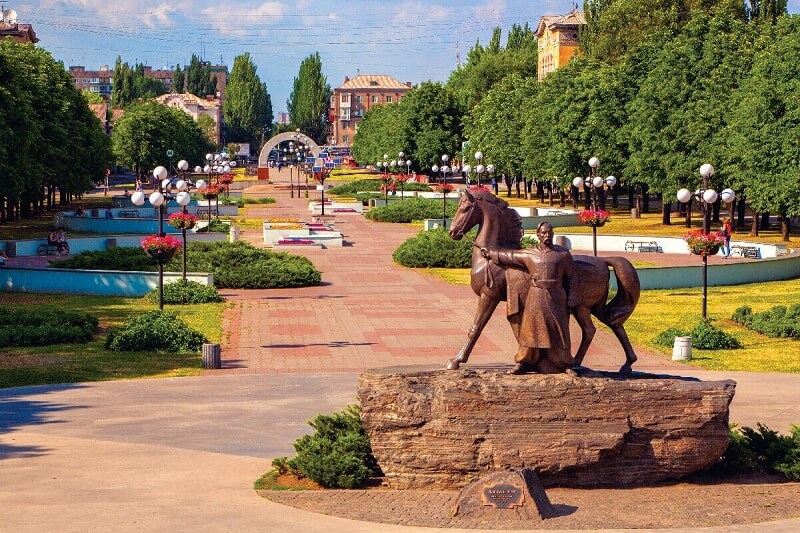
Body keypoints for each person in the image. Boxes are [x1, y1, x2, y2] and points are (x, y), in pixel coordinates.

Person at [481, 222, 578, 374]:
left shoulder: (563, 254)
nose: (547, 236)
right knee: (530, 330)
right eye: (544, 233)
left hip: (556, 297)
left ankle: (564, 364)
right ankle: (524, 362)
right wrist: (491, 253)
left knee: (559, 331)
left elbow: (572, 276)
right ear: (538, 235)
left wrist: (572, 297)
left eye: (550, 233)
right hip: (536, 295)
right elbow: (509, 256)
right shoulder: (529, 253)